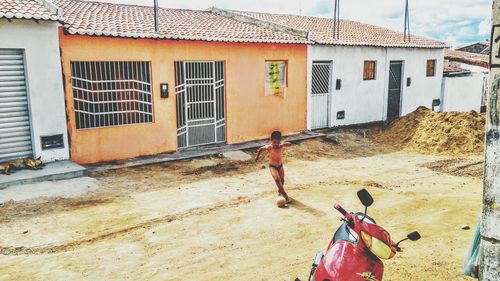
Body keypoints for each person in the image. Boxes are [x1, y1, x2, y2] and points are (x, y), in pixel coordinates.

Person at [255, 131, 291, 202]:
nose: (276, 144)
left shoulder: (280, 146)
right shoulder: (269, 147)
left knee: (282, 180)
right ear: (271, 141)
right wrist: (257, 156)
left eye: (278, 142)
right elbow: (261, 149)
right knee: (277, 179)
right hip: (272, 166)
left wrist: (283, 144)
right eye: (274, 142)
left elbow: (290, 144)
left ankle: (280, 192)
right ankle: (285, 194)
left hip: (280, 165)